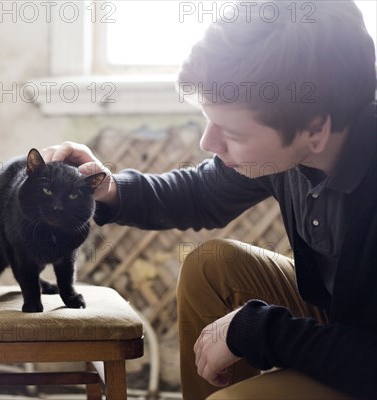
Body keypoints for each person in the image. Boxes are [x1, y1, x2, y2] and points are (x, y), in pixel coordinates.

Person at [41, 1, 376, 399]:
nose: (207, 143)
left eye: (232, 133)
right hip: (345, 321)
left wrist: (258, 329)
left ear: (316, 128)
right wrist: (107, 186)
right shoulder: (290, 147)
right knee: (213, 268)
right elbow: (201, 193)